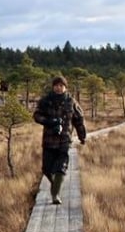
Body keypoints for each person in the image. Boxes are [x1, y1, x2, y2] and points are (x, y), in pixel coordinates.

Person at [33, 75, 87, 204]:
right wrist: (49, 121)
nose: (59, 88)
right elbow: (36, 115)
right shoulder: (46, 101)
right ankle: (55, 184)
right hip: (49, 140)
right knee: (46, 169)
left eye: (61, 86)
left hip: (64, 140)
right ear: (53, 87)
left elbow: (79, 120)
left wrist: (82, 136)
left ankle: (55, 195)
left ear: (65, 87)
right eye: (56, 85)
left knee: (61, 168)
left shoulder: (71, 102)